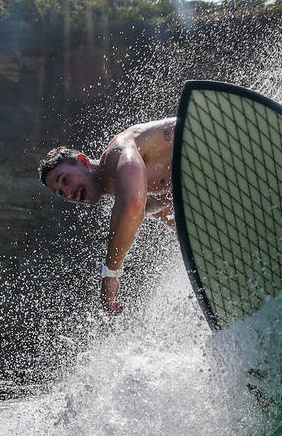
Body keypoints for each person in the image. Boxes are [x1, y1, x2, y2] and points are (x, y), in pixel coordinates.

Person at [38, 118, 177, 313]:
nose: (69, 193)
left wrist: (110, 274)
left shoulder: (118, 152)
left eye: (66, 179)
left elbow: (132, 204)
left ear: (84, 162)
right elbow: (180, 222)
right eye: (62, 193)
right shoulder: (145, 199)